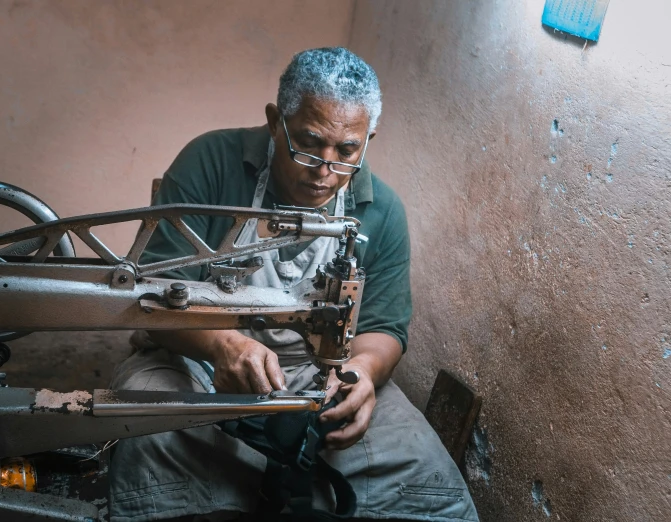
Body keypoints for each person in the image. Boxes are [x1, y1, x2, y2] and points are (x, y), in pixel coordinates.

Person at [109, 47, 478, 522]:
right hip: (197, 358)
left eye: (347, 151)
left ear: (368, 140)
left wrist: (362, 373)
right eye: (308, 143)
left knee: (423, 471)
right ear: (274, 121)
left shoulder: (381, 210)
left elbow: (384, 326)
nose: (325, 168)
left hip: (318, 374)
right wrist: (225, 347)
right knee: (149, 434)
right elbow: (156, 293)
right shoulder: (211, 162)